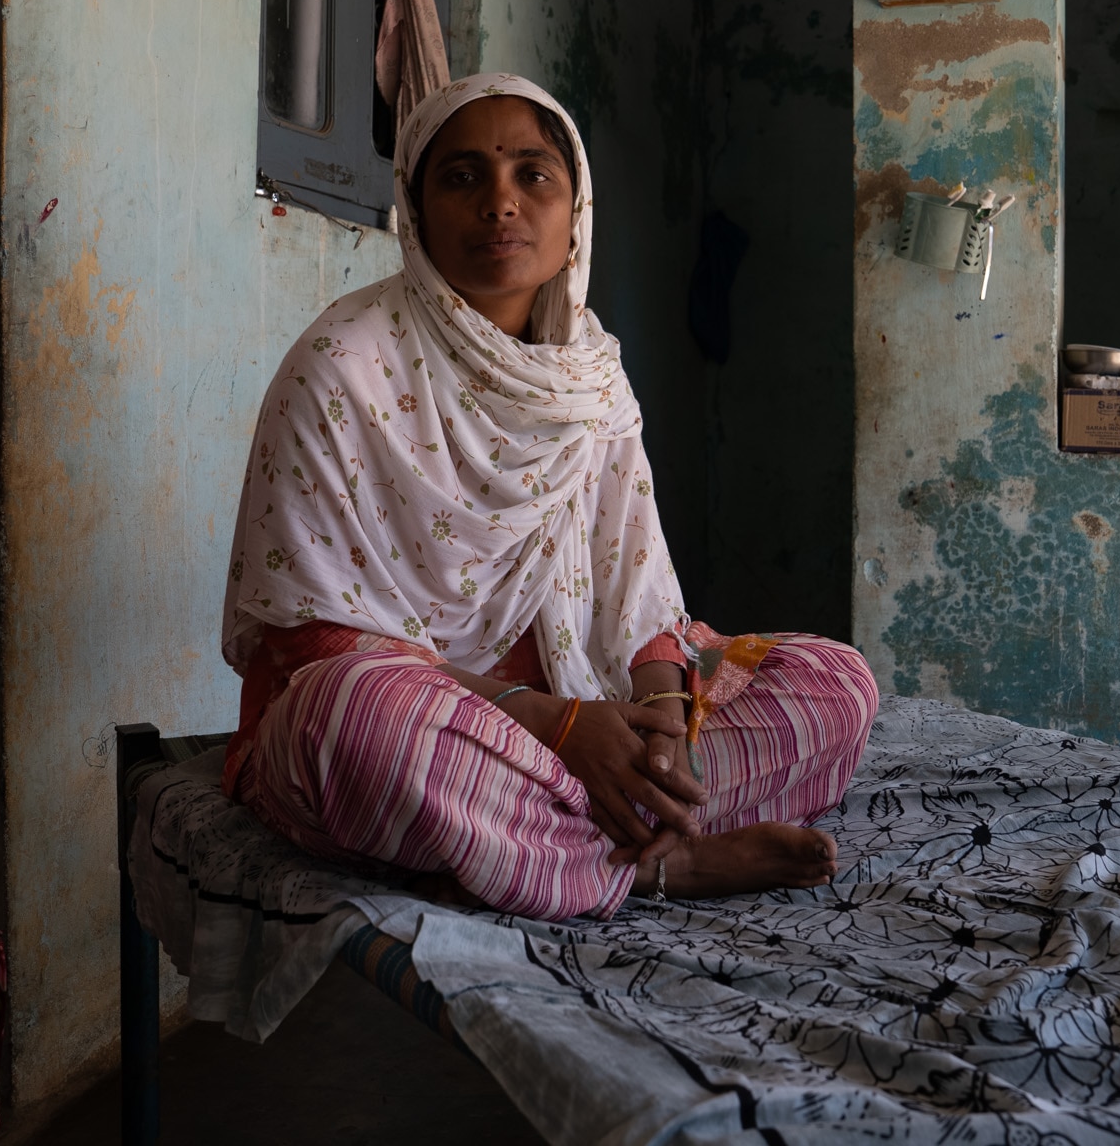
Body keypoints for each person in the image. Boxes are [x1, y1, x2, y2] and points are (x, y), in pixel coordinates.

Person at [219, 74, 878, 921]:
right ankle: (651, 866)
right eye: (463, 177)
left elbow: (634, 586)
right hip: (436, 724)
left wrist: (660, 726)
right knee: (354, 725)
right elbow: (311, 641)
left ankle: (588, 826)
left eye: (534, 175)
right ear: (415, 212)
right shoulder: (342, 366)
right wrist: (550, 725)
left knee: (835, 682)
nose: (501, 203)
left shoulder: (590, 378)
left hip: (581, 717)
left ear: (576, 217)